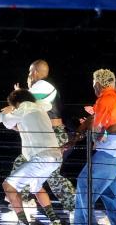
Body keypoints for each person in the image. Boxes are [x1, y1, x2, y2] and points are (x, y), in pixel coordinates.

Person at [0, 89, 65, 225]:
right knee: (36, 187)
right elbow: (18, 126)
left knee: (8, 185)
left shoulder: (25, 106)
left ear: (17, 103)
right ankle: (55, 220)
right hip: (54, 156)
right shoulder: (38, 109)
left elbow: (6, 118)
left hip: (42, 157)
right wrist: (9, 113)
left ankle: (23, 223)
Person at [6, 60, 76, 213]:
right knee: (46, 173)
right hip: (48, 135)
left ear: (35, 72)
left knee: (43, 172)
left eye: (29, 73)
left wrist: (18, 95)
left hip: (53, 135)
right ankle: (24, 201)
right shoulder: (41, 89)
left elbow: (21, 104)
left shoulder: (42, 85)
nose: (28, 76)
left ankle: (75, 207)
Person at [71, 69, 116, 225]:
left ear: (98, 84)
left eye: (93, 83)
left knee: (85, 182)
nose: (93, 87)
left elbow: (96, 128)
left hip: (114, 146)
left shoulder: (104, 98)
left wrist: (88, 138)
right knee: (109, 185)